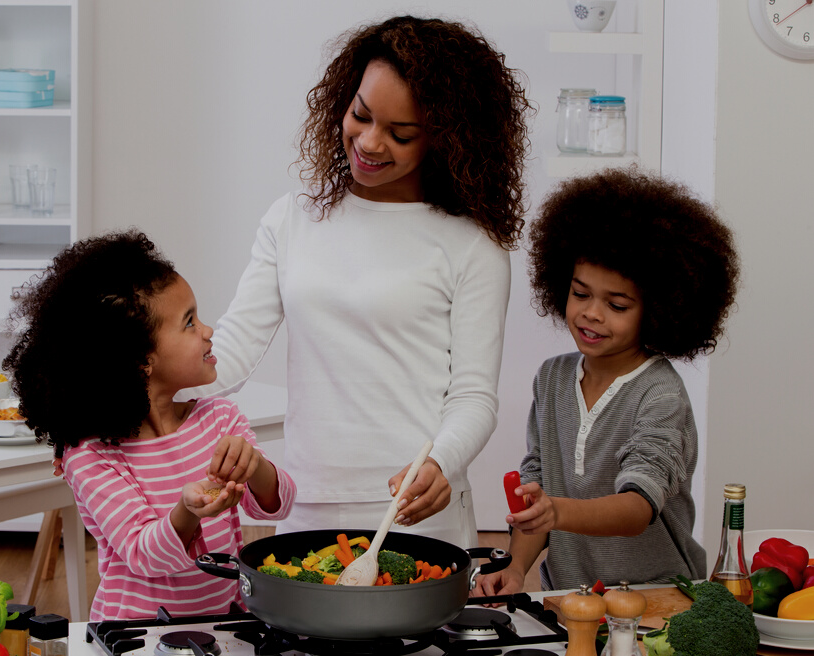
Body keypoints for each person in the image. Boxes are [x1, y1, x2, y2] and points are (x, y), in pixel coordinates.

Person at [182, 15, 532, 549]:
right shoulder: (293, 218)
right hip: (305, 502)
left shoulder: (471, 243)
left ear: (447, 137)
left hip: (415, 507)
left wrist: (442, 460)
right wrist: (120, 397)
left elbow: (473, 396)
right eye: (361, 115)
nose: (369, 142)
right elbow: (229, 353)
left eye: (401, 133)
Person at [471, 166, 741, 596]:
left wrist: (556, 511)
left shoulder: (660, 393)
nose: (591, 313)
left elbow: (637, 508)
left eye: (616, 304)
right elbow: (536, 493)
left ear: (658, 310)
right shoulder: (552, 378)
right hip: (569, 597)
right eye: (580, 294)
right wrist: (518, 567)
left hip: (658, 599)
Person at [5, 230, 295, 620]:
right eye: (189, 323)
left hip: (228, 625)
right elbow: (144, 554)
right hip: (136, 638)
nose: (208, 331)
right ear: (140, 360)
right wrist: (187, 511)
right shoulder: (92, 456)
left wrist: (255, 467)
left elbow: (280, 505)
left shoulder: (218, 419)